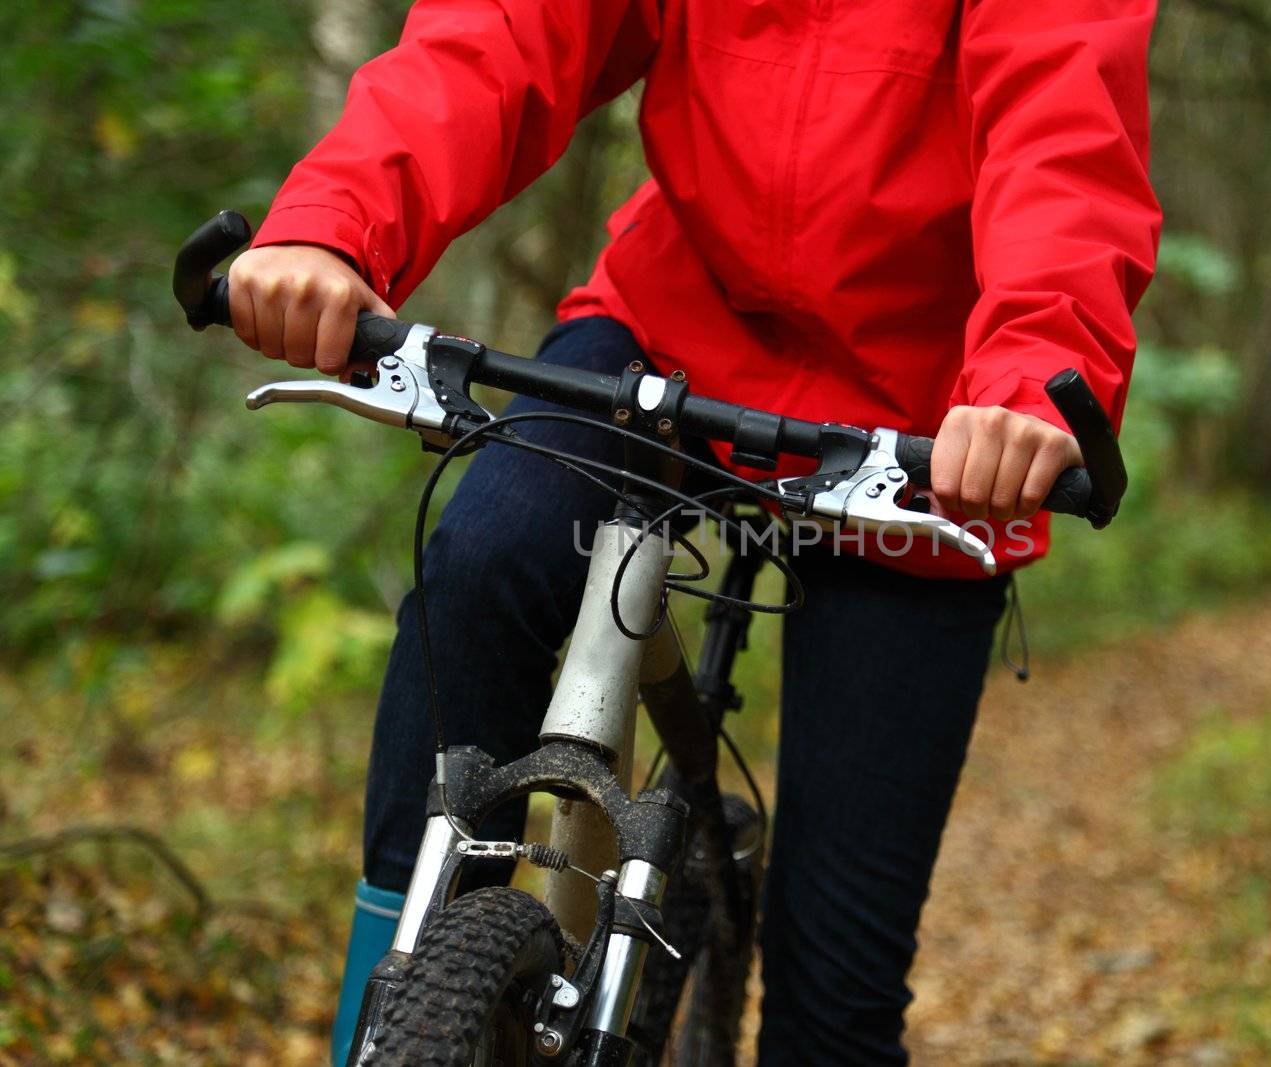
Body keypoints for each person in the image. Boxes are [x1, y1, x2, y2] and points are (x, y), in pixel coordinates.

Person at [228, 1, 1160, 1063]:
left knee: (834, 1006)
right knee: (487, 559)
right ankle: (392, 1012)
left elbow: (1064, 144)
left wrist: (1029, 382)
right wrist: (333, 220)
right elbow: (502, 37)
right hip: (667, 333)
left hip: (935, 431)